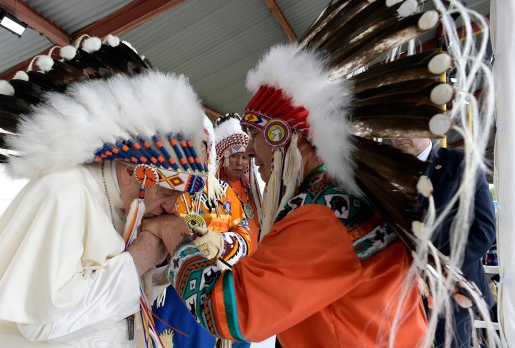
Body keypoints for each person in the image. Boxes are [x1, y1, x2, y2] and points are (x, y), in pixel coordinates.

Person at [139, 0, 496, 345]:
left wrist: (177, 238)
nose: (248, 151)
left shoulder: (327, 213)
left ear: (287, 138)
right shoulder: (342, 194)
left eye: (255, 136)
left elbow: (230, 311)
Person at [0, 35, 212, 347]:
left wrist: (160, 260)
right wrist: (140, 257)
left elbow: (123, 294)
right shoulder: (65, 192)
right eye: (167, 194)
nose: (173, 208)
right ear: (133, 172)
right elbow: (39, 322)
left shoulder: (124, 200)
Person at [152, 118, 252, 348]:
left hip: (215, 288)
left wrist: (222, 242)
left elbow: (245, 239)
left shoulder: (226, 193)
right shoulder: (160, 188)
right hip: (169, 291)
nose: (194, 152)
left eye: (202, 144)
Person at [390, 137, 496, 348]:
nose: (399, 134)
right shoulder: (384, 167)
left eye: (407, 126)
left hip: (451, 289)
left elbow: (483, 231)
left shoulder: (460, 163)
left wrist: (437, 271)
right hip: (398, 288)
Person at [214, 113, 262, 246]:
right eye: (234, 156)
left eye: (245, 157)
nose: (239, 163)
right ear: (224, 158)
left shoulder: (253, 191)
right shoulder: (213, 190)